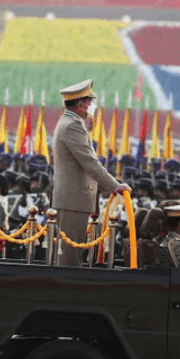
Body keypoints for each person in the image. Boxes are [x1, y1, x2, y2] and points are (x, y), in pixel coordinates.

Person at [51, 79, 130, 267]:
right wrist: (115, 186)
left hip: (72, 198)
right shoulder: (72, 125)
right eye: (90, 102)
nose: (92, 106)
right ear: (81, 104)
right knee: (70, 259)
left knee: (69, 255)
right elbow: (90, 163)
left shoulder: (69, 121)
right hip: (73, 199)